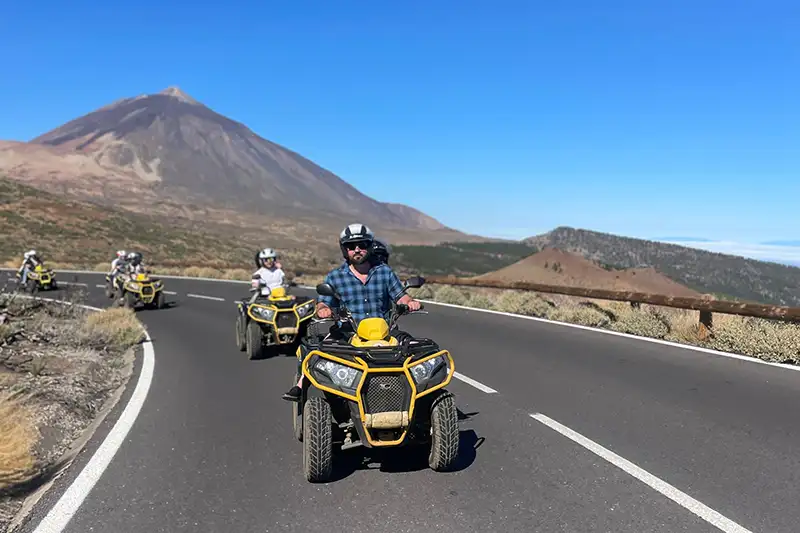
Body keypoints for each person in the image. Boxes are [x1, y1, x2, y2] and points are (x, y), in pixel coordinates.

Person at [282, 223, 420, 402]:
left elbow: (401, 296)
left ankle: (420, 398)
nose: (357, 249)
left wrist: (410, 303)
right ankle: (301, 386)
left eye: (362, 245)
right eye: (351, 246)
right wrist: (324, 310)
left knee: (417, 351)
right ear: (344, 249)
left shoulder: (384, 272)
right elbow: (323, 303)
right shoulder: (335, 277)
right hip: (347, 333)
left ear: (369, 246)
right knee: (317, 354)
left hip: (385, 331)